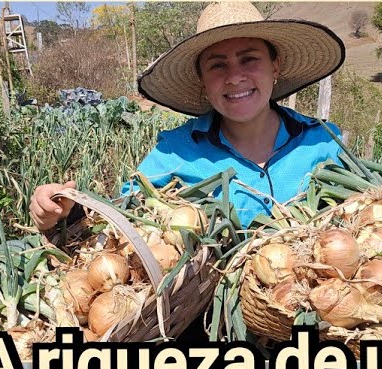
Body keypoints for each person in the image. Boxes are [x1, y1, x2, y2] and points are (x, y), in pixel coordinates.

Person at [29, 1, 346, 232]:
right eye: (217, 65)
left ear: (275, 67)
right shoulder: (175, 152)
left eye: (250, 59)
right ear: (202, 81)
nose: (235, 77)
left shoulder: (325, 143)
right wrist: (62, 212)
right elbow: (122, 219)